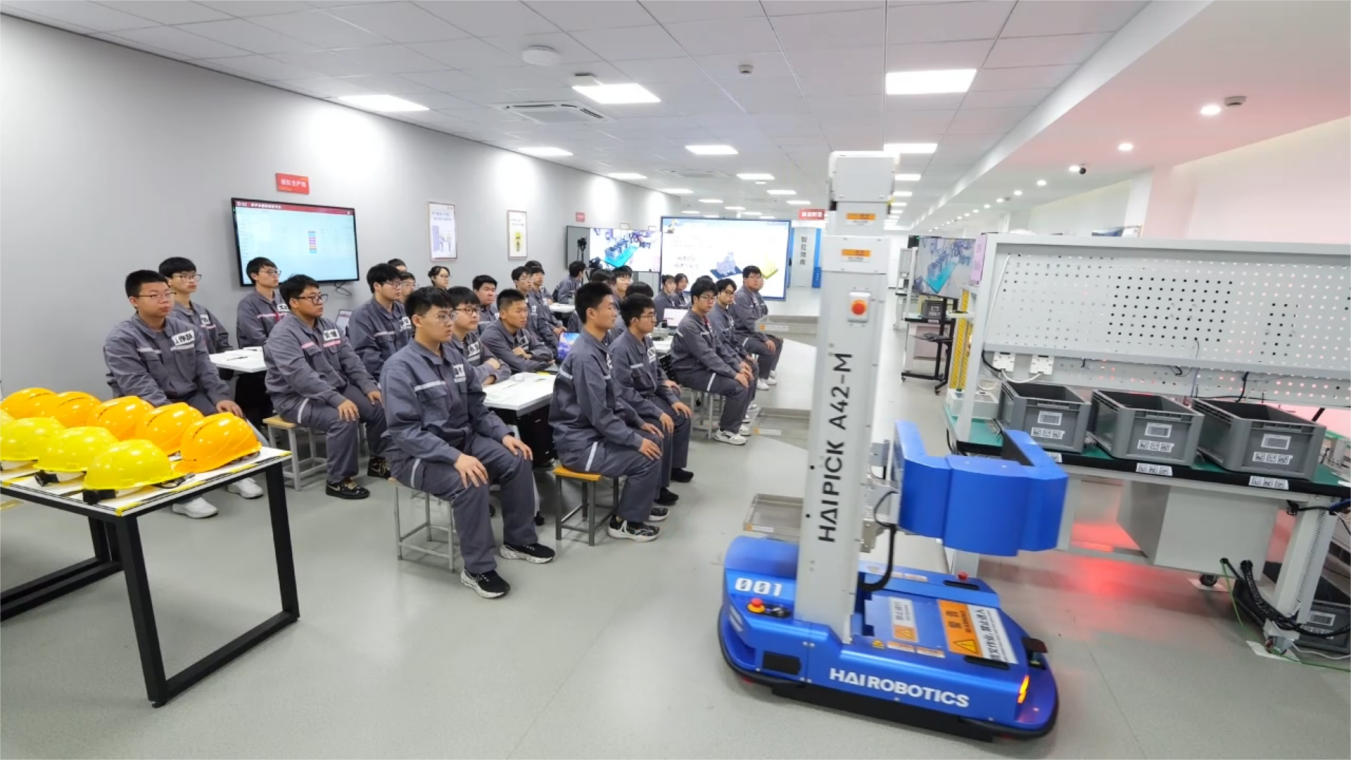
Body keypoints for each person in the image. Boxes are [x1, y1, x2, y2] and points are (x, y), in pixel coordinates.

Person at [382, 287, 554, 599]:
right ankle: (477, 567)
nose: (449, 323)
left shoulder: (454, 356)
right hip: (415, 454)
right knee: (471, 480)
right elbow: (405, 432)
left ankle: (519, 540)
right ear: (417, 320)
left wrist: (503, 435)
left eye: (451, 315)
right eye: (441, 317)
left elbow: (477, 408)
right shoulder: (399, 367)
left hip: (463, 439)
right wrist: (454, 457)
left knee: (518, 457)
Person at [104, 271, 260, 518]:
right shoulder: (122, 338)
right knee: (171, 435)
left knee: (227, 422)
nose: (164, 300)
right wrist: (176, 415)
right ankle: (184, 495)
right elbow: (137, 384)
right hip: (148, 407)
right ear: (134, 301)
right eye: (154, 296)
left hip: (190, 396)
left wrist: (221, 396)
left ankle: (233, 474)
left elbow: (205, 368)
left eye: (167, 294)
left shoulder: (187, 329)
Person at [550, 283, 667, 542]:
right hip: (580, 445)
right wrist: (635, 440)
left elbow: (615, 394)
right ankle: (624, 522)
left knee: (654, 438)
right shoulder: (585, 357)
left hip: (595, 434)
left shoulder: (600, 346)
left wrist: (638, 422)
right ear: (591, 313)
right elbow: (600, 415)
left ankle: (639, 505)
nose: (616, 312)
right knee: (647, 456)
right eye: (610, 307)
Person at [265, 275, 389, 500]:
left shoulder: (329, 326)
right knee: (344, 418)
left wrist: (368, 386)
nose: (319, 301)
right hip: (294, 398)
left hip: (335, 388)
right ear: (294, 302)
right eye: (312, 297)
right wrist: (337, 400)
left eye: (320, 296)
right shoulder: (283, 334)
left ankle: (379, 461)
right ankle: (338, 480)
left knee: (379, 405)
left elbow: (351, 361)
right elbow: (301, 377)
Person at [613, 294, 693, 501]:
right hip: (634, 405)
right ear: (634, 320)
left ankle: (674, 467)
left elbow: (657, 374)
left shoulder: (647, 341)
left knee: (682, 415)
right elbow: (624, 392)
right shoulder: (620, 349)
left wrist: (673, 400)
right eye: (649, 316)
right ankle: (658, 487)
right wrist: (657, 412)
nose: (654, 320)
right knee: (663, 426)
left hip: (651, 397)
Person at [670, 279, 754, 446]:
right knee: (738, 386)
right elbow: (708, 356)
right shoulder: (689, 325)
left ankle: (735, 423)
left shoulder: (704, 320)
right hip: (691, 372)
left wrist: (737, 365)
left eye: (713, 298)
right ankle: (726, 431)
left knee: (747, 376)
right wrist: (734, 374)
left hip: (704, 368)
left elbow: (719, 347)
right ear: (695, 299)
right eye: (706, 297)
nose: (711, 301)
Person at [236, 256, 286, 425]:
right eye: (269, 272)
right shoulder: (247, 304)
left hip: (284, 359)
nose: (275, 275)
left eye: (276, 271)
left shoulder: (283, 300)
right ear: (254, 276)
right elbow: (257, 338)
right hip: (259, 362)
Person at [347, 263, 412, 381]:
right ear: (377, 286)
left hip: (408, 372)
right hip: (381, 377)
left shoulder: (403, 309)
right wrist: (396, 376)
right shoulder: (362, 315)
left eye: (400, 283)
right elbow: (367, 356)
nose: (398, 288)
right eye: (393, 284)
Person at [160, 257, 231, 356]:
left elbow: (221, 339)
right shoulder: (166, 313)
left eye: (193, 276)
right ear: (168, 280)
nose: (191, 280)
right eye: (183, 276)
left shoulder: (202, 311)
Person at [443, 286, 509, 386]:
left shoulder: (472, 338)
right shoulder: (443, 344)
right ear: (451, 313)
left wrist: (490, 378)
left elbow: (504, 366)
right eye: (468, 310)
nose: (474, 315)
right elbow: (460, 381)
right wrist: (489, 366)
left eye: (476, 310)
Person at [480, 289, 553, 373]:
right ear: (503, 314)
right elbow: (520, 365)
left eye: (525, 310)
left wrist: (529, 355)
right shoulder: (491, 336)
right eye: (518, 311)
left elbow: (548, 352)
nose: (524, 315)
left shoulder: (522, 331)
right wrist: (546, 363)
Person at [733, 265, 781, 389]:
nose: (756, 280)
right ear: (744, 279)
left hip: (752, 332)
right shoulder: (741, 296)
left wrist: (772, 331)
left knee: (778, 339)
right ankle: (759, 378)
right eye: (752, 277)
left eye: (758, 277)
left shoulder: (754, 294)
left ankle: (768, 371)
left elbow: (763, 314)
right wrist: (765, 338)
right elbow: (750, 322)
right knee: (768, 347)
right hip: (741, 335)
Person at [517, 265, 562, 355]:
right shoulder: (513, 302)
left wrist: (555, 343)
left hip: (539, 339)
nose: (529, 281)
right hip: (525, 343)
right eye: (537, 274)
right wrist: (553, 328)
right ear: (516, 282)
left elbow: (542, 323)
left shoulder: (535, 298)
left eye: (529, 278)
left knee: (562, 348)